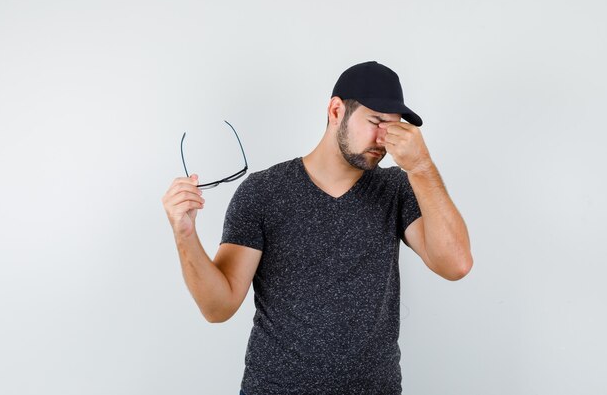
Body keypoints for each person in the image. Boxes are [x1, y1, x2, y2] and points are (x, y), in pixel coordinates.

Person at [161, 60, 473, 395]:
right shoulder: (263, 191)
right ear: (336, 110)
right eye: (376, 122)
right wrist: (185, 235)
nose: (384, 139)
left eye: (394, 128)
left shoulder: (396, 188)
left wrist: (421, 166)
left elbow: (455, 264)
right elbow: (217, 307)